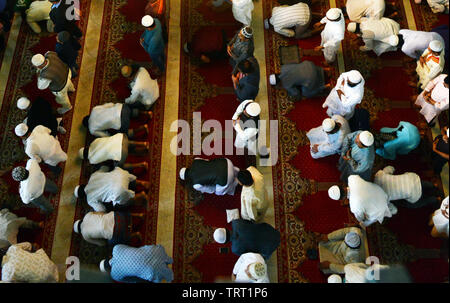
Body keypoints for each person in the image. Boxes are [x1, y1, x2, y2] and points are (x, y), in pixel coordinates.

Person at [328, 175, 397, 227]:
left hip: (381, 208)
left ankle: (390, 210)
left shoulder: (354, 206)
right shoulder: (352, 178)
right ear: (341, 186)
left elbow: (361, 218)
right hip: (380, 191)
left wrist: (360, 221)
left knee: (363, 223)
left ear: (342, 199)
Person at [74, 166, 150, 212]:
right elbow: (104, 168)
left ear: (83, 197)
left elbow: (102, 210)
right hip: (120, 174)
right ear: (83, 185)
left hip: (119, 191)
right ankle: (141, 183)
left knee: (117, 205)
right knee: (120, 178)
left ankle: (140, 195)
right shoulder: (92, 176)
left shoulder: (89, 200)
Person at [374, 166, 443, 208]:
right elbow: (390, 168)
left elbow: (393, 210)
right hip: (411, 178)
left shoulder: (382, 198)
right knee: (418, 182)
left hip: (413, 194)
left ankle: (435, 199)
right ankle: (434, 186)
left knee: (413, 205)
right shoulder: (378, 176)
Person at [99, 244, 173, 283]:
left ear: (108, 271)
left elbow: (132, 280)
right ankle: (168, 260)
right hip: (155, 251)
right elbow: (130, 248)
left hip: (152, 271)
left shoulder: (114, 275)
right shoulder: (116, 248)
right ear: (108, 258)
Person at [213, 219, 280, 260]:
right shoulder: (236, 222)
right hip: (270, 230)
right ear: (225, 229)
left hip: (270, 248)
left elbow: (250, 255)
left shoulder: (235, 249)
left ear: (225, 242)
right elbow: (251, 222)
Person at [78, 133, 149, 169]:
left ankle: (141, 164)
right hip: (122, 138)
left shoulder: (92, 160)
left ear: (85, 158)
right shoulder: (94, 142)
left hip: (121, 154)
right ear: (86, 148)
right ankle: (143, 144)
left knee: (118, 167)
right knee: (122, 142)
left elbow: (104, 165)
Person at [73, 211, 143, 246]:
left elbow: (100, 243)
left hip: (116, 231)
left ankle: (136, 235)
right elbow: (102, 212)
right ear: (80, 221)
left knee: (111, 242)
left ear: (80, 231)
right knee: (118, 213)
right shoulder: (87, 215)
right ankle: (138, 216)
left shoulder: (85, 236)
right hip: (117, 216)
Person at [82, 102, 152, 138]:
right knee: (130, 111)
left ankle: (143, 128)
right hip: (122, 108)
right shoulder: (94, 109)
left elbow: (105, 136)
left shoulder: (92, 130)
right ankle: (147, 113)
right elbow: (109, 104)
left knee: (125, 134)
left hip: (122, 123)